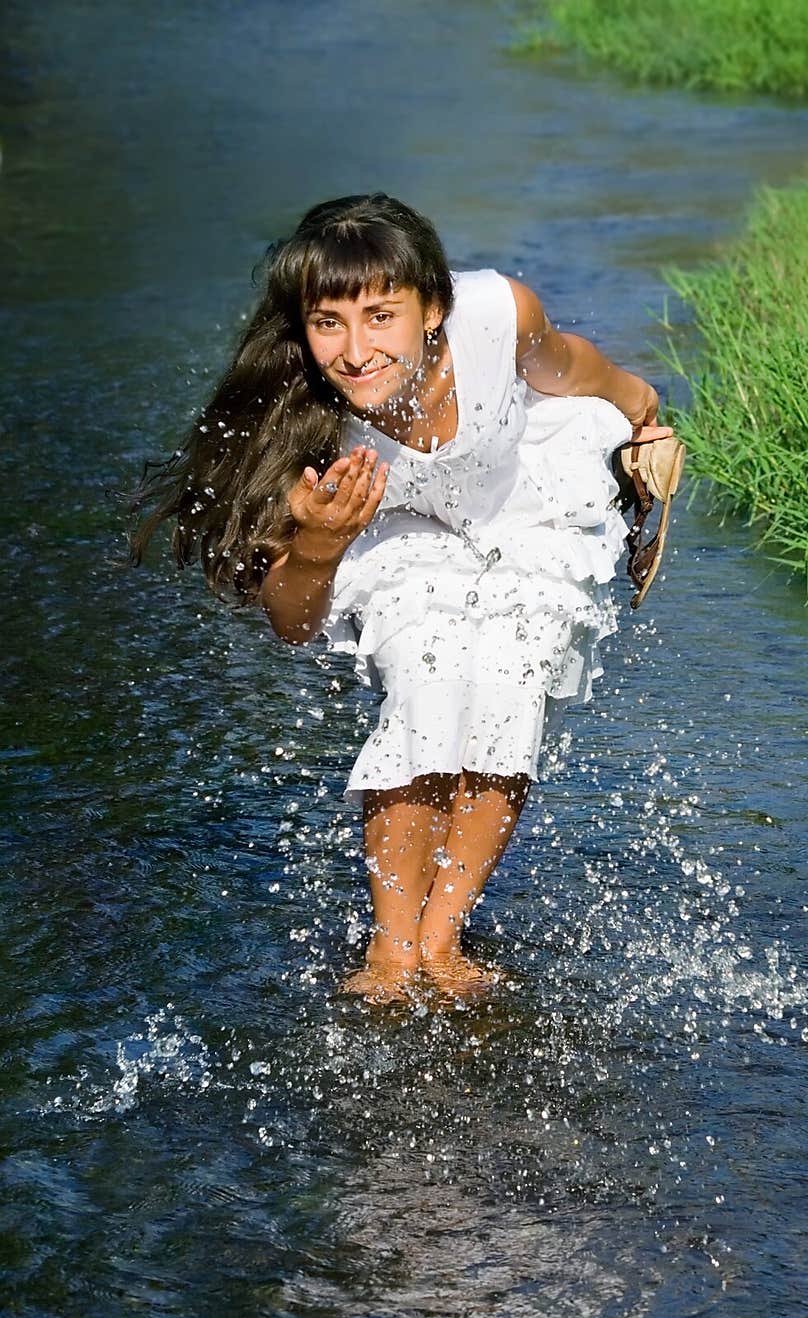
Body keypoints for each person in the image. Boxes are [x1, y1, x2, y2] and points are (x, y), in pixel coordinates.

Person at [127, 192, 675, 1005]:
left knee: (512, 677)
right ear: (303, 330)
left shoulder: (497, 313)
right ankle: (391, 951)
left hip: (518, 489)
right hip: (391, 520)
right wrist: (316, 541)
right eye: (329, 323)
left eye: (381, 315)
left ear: (433, 309)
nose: (355, 350)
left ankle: (442, 936)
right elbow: (291, 624)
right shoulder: (301, 425)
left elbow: (574, 368)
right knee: (429, 675)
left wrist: (644, 414)